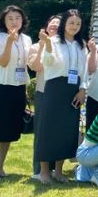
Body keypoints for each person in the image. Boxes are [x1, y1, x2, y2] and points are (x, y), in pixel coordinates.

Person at [36, 9, 88, 184]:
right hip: (55, 86)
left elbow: (84, 71)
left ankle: (58, 171)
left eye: (78, 23)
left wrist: (83, 89)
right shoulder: (53, 41)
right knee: (49, 128)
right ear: (64, 23)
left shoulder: (81, 45)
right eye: (71, 22)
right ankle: (44, 171)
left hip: (74, 90)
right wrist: (48, 45)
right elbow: (48, 63)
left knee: (67, 130)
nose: (74, 26)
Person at [0, 6, 33, 180]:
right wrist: (10, 42)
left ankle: (0, 166)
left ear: (22, 20)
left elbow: (24, 65)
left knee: (9, 128)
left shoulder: (26, 39)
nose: (14, 22)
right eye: (10, 18)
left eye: (17, 18)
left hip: (17, 87)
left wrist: (24, 88)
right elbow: (2, 62)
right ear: (4, 21)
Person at [27, 14, 60, 177]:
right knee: (41, 130)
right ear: (46, 27)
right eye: (52, 23)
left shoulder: (64, 46)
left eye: (58, 24)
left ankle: (54, 168)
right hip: (43, 92)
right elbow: (36, 67)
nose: (54, 25)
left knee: (57, 130)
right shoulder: (34, 46)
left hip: (60, 93)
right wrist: (42, 45)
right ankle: (39, 169)